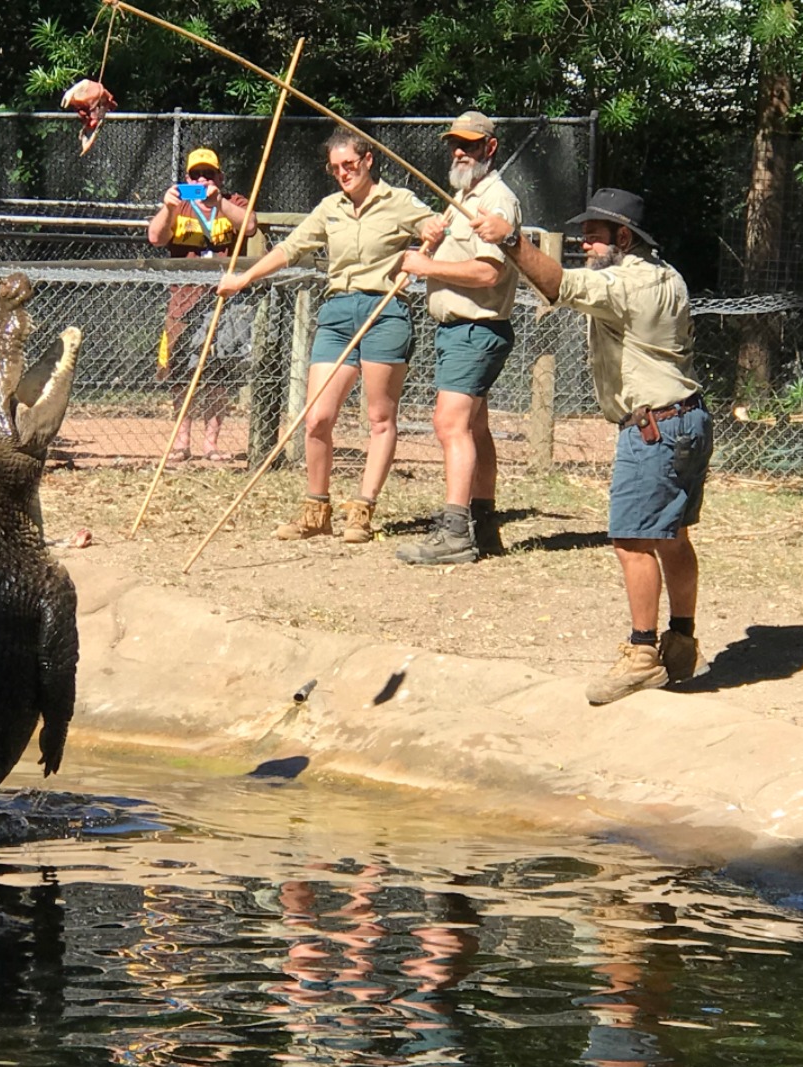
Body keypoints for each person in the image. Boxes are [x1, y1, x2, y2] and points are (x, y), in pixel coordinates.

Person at [472, 187, 712, 704]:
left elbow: (557, 284)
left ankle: (642, 654)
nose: (585, 244)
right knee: (673, 536)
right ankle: (682, 640)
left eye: (594, 236)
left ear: (623, 238)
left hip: (653, 429)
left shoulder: (624, 284)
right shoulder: (667, 275)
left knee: (631, 541)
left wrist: (510, 239)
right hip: (689, 419)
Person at [218, 130, 439, 543]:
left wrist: (431, 236)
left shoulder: (398, 201)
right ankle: (316, 511)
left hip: (385, 310)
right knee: (317, 417)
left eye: (349, 165)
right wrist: (244, 278)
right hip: (337, 313)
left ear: (368, 161)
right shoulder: (330, 208)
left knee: (380, 418)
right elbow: (290, 249)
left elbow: (432, 226)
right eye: (335, 168)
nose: (343, 174)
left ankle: (363, 510)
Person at [394, 111, 522, 565]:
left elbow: (489, 272)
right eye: (455, 144)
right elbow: (455, 247)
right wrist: (432, 232)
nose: (460, 151)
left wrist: (426, 267)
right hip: (459, 329)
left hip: (475, 328)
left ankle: (454, 533)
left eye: (469, 144)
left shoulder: (495, 201)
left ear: (491, 147)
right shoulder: (463, 196)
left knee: (449, 425)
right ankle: (484, 525)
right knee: (474, 427)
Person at [146, 147, 256, 462]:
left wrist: (218, 202)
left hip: (226, 300)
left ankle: (211, 445)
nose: (202, 180)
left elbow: (249, 226)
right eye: (196, 175)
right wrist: (168, 207)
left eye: (209, 174)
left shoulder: (233, 201)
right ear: (187, 178)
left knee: (220, 372)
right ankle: (182, 442)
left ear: (220, 177)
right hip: (184, 301)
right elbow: (156, 237)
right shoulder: (179, 205)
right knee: (182, 371)